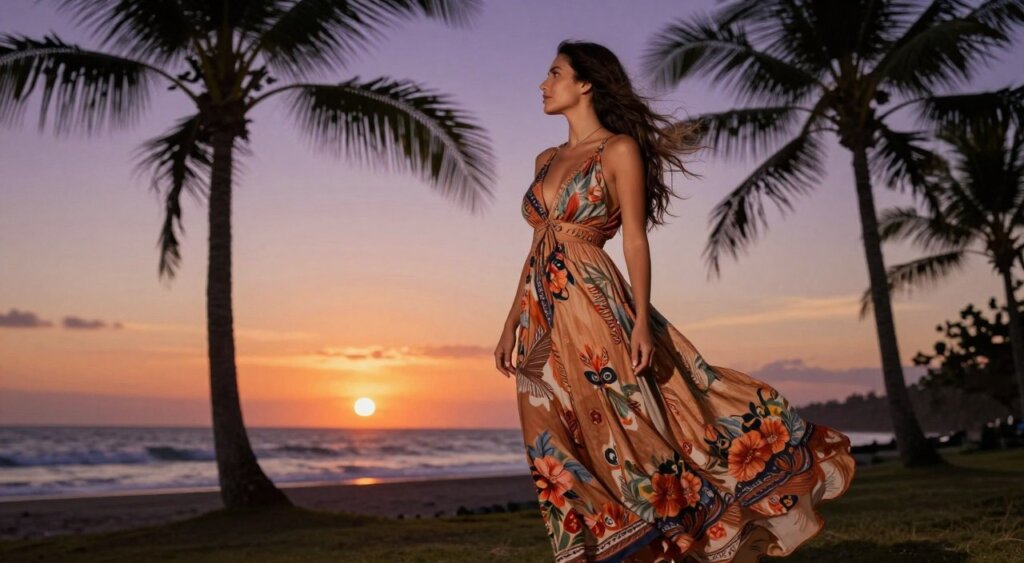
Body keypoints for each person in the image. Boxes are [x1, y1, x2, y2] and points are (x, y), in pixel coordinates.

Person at [493, 40, 856, 563]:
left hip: (593, 304)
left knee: (626, 424)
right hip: (539, 316)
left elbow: (634, 240)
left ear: (586, 82)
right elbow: (537, 245)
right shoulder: (545, 160)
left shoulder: (618, 149)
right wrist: (511, 322)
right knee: (553, 440)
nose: (543, 84)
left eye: (554, 73)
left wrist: (641, 320)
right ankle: (602, 547)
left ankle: (677, 539)